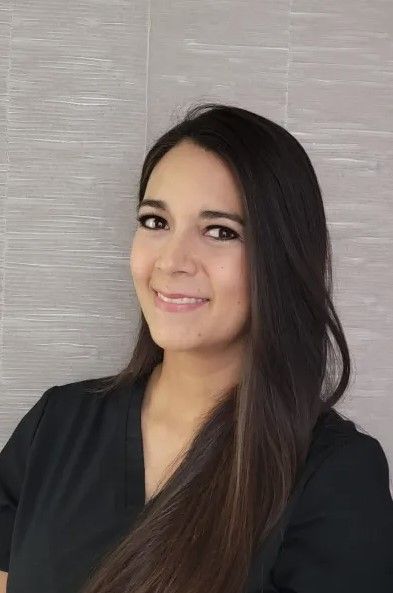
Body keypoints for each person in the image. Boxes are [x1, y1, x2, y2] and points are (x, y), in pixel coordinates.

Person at [0, 103, 392, 593]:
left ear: (281, 258)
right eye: (155, 222)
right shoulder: (55, 426)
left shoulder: (335, 475)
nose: (173, 261)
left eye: (220, 231)